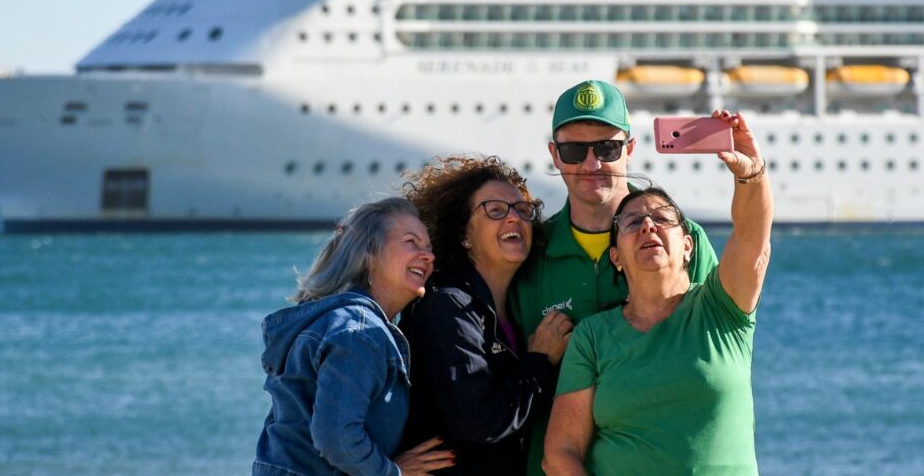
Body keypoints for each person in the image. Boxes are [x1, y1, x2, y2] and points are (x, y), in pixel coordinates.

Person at [543, 110, 773, 475]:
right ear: (615, 256)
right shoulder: (593, 336)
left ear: (688, 245)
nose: (648, 225)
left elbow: (752, 242)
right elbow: (560, 453)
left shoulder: (722, 309)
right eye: (632, 222)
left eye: (662, 218)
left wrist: (752, 174)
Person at [509, 79, 720, 473]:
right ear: (554, 155)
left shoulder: (683, 241)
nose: (592, 165)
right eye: (574, 150)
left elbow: (717, 350)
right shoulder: (529, 253)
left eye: (607, 148)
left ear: (630, 150)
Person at [252, 197, 456, 476]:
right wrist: (392, 472)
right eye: (411, 242)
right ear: (370, 253)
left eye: (429, 248)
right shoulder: (359, 332)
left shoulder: (339, 320)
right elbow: (336, 437)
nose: (428, 256)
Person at [399, 156, 574, 474]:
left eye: (523, 211)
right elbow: (477, 420)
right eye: (495, 210)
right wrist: (539, 362)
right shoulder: (448, 308)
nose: (514, 219)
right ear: (463, 233)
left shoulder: (513, 307)